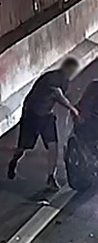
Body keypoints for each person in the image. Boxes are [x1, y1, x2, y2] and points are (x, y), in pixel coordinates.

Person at [7, 57, 80, 189]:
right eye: (71, 70)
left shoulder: (65, 81)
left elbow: (59, 98)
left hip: (46, 116)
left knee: (53, 146)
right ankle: (14, 161)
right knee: (24, 146)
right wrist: (72, 108)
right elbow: (57, 95)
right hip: (32, 115)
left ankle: (51, 177)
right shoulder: (51, 77)